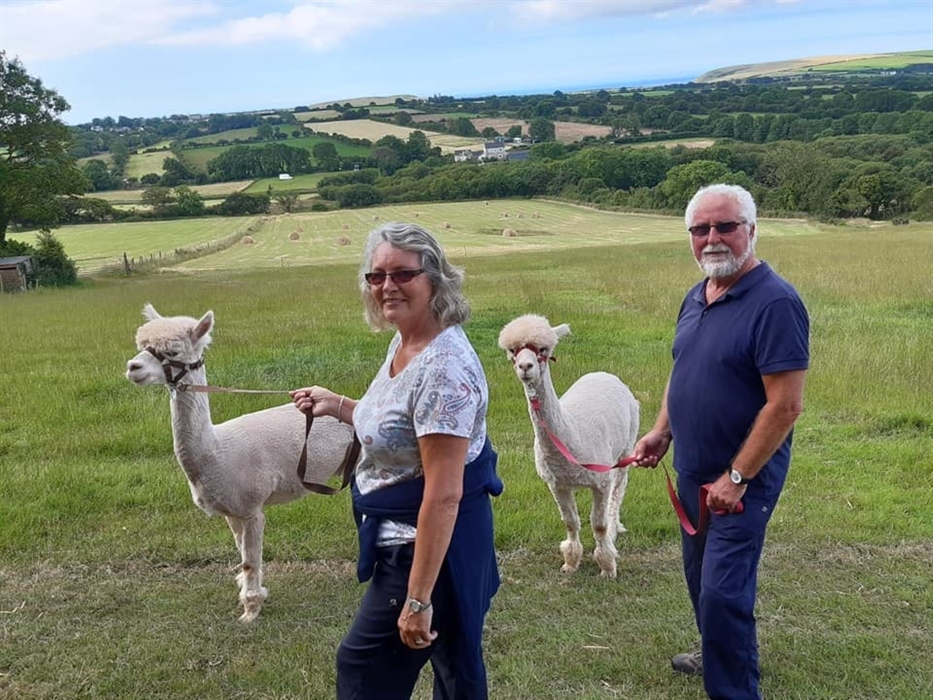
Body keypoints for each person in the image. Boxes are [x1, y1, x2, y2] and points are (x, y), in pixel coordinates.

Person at [291, 222, 502, 700]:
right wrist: (339, 405)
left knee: (363, 668)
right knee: (448, 668)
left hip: (424, 553)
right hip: (415, 545)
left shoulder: (443, 370)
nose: (388, 286)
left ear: (435, 279)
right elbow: (398, 423)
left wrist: (417, 599)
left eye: (403, 274)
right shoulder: (407, 342)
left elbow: (445, 494)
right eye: (376, 276)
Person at [632, 184, 809, 700]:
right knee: (698, 577)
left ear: (751, 231)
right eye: (700, 229)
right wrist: (662, 429)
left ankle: (732, 688)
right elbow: (683, 368)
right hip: (691, 469)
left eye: (726, 227)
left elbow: (786, 406)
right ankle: (718, 650)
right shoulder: (698, 294)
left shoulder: (776, 303)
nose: (712, 239)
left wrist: (736, 478)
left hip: (740, 480)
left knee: (722, 590)